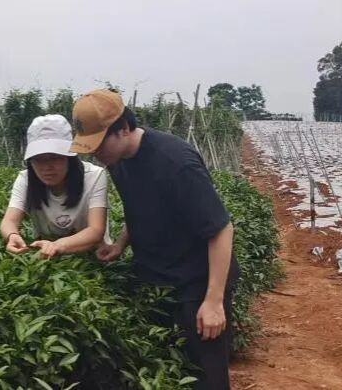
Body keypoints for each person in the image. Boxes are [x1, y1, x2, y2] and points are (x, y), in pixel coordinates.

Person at [70, 89, 240, 390]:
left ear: (123, 128)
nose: (95, 153)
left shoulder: (175, 162)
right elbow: (142, 207)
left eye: (99, 144)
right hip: (154, 276)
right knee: (164, 367)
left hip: (197, 281)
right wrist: (120, 244)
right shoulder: (117, 160)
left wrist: (213, 301)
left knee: (205, 376)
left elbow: (221, 229)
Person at [0, 114, 110, 258]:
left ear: (69, 157)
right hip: (47, 260)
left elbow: (96, 231)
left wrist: (57, 245)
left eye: (55, 157)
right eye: (39, 159)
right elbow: (9, 220)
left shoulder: (94, 176)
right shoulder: (25, 179)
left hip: (93, 258)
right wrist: (12, 235)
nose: (47, 167)